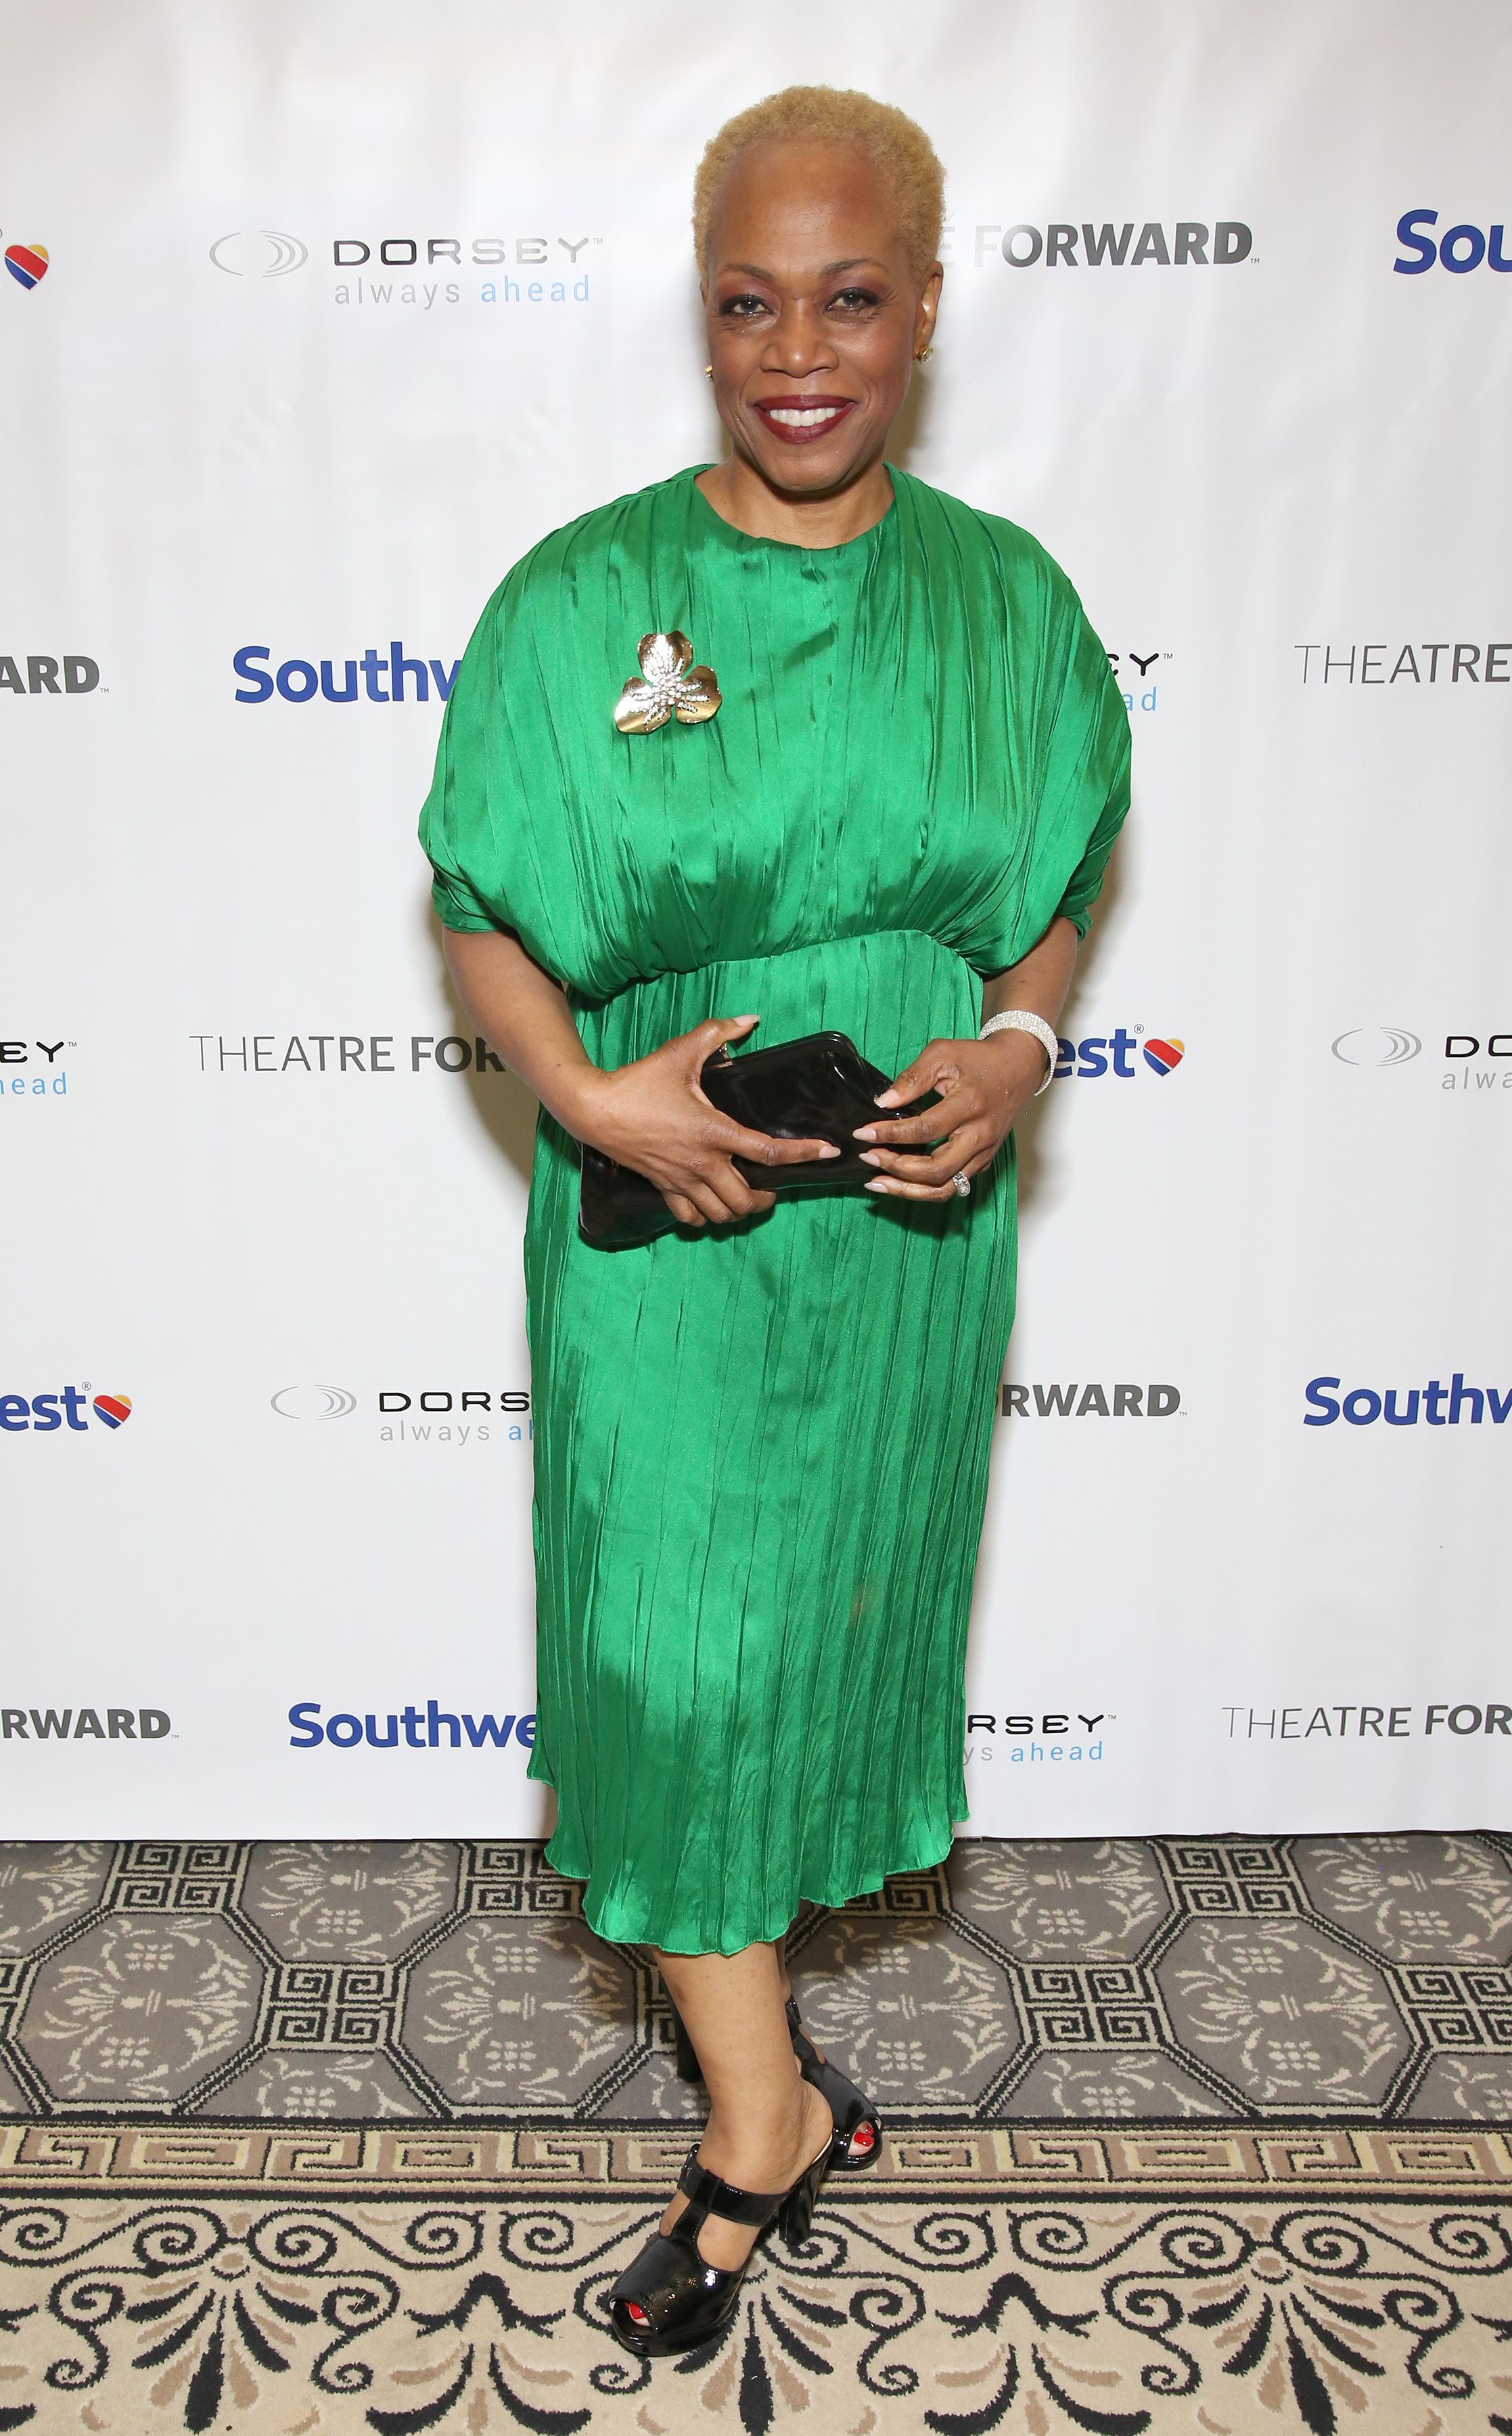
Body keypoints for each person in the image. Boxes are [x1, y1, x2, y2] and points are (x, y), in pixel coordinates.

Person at [421, 84, 1130, 2356]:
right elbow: (478, 912)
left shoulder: (1007, 602)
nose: (794, 348)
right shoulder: (579, 593)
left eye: (846, 297)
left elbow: (1051, 901)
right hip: (661, 1241)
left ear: (923, 309)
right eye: (748, 301)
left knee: (823, 1648)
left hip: (904, 1246)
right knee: (667, 1667)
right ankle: (761, 2123)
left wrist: (1016, 1054)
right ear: (701, 313)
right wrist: (582, 1098)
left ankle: (768, 2105)